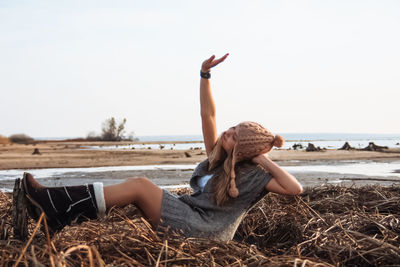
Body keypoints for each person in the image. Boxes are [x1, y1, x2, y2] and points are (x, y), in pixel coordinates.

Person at [18, 54, 303, 241]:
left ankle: (54, 204)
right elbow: (208, 116)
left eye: (233, 136)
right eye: (232, 128)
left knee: (141, 186)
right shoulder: (218, 158)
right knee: (140, 189)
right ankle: (59, 214)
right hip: (190, 216)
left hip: (205, 232)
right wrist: (204, 75)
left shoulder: (255, 177)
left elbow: (295, 189)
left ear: (244, 150)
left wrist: (262, 159)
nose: (226, 132)